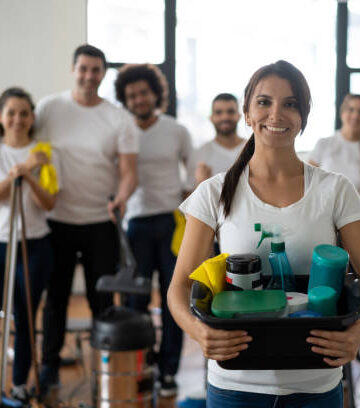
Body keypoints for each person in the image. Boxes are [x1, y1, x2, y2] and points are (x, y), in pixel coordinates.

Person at [167, 60, 360, 407]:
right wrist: (199, 332)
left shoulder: (335, 191)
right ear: (247, 113)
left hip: (315, 383)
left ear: (303, 116)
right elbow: (179, 287)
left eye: (290, 104)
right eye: (264, 102)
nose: (276, 114)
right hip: (235, 384)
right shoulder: (214, 192)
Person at [35, 44, 139, 392]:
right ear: (73, 69)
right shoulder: (49, 108)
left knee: (102, 302)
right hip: (56, 221)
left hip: (100, 222)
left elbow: (129, 173)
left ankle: (103, 368)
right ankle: (48, 368)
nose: (89, 76)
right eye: (83, 68)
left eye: (96, 70)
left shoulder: (117, 117)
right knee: (56, 299)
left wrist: (121, 198)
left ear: (103, 73)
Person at [114, 63, 192, 397]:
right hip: (136, 225)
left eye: (144, 92)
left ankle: (169, 371)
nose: (139, 99)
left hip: (172, 222)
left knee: (175, 298)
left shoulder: (176, 130)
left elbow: (192, 181)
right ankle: (141, 365)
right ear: (125, 99)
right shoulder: (120, 131)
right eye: (132, 95)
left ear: (155, 93)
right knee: (136, 301)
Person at [0, 87, 60, 403]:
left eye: (24, 113)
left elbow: (49, 203)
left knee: (25, 315)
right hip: (0, 243)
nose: (18, 119)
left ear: (32, 116)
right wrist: (17, 173)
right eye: (11, 112)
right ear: (1, 116)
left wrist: (32, 173)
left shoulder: (45, 153)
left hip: (34, 245)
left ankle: (20, 382)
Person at [308, 94, 360, 217]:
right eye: (351, 109)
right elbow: (307, 184)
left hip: (357, 221)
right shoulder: (324, 144)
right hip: (320, 216)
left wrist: (345, 222)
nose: (355, 115)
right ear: (342, 112)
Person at [186, 93, 246, 191]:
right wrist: (201, 184)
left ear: (239, 116)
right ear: (211, 117)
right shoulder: (199, 154)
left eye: (230, 112)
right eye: (219, 112)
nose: (225, 117)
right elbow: (187, 197)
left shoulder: (254, 150)